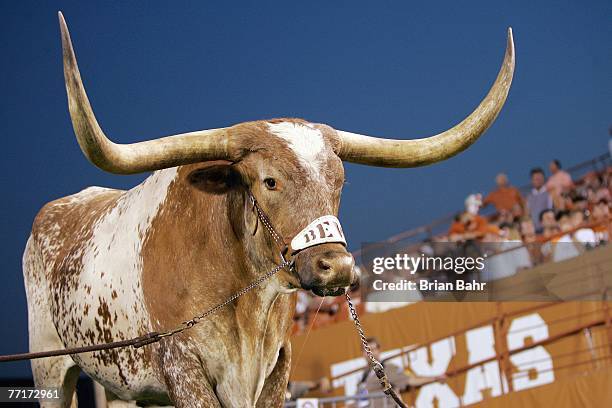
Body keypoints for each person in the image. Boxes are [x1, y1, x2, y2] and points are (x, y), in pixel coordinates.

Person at [358, 337, 440, 408]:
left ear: (379, 350)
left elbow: (411, 380)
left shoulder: (388, 368)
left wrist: (435, 378)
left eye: (372, 349)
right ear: (362, 353)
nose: (369, 353)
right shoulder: (364, 375)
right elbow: (360, 398)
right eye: (366, 350)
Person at [527, 168, 553, 232]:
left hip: (547, 229)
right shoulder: (529, 197)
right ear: (532, 180)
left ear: (543, 179)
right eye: (535, 179)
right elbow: (527, 214)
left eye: (539, 178)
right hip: (535, 230)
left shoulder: (550, 193)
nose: (538, 181)